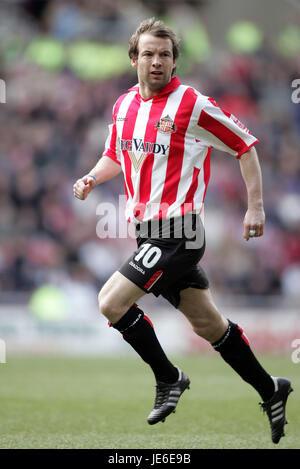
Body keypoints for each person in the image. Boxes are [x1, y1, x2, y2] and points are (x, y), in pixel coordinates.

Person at [73, 18, 293, 444]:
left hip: (180, 232)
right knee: (209, 326)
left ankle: (169, 377)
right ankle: (271, 389)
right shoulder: (122, 106)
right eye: (149, 54)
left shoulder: (191, 103)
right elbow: (116, 155)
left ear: (175, 62)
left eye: (166, 55)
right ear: (134, 59)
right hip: (147, 232)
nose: (157, 62)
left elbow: (245, 144)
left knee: (110, 303)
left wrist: (256, 207)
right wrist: (90, 178)